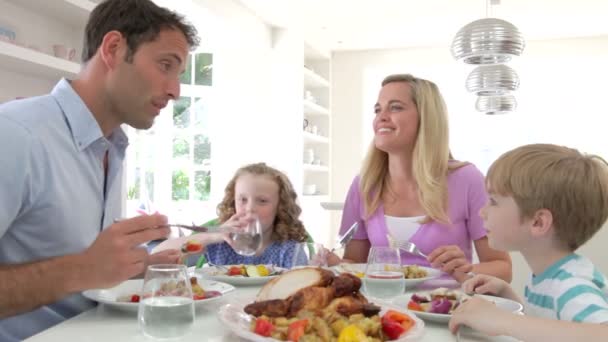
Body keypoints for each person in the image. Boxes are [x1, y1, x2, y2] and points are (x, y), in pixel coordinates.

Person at [0, 0, 199, 340]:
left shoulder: (112, 147)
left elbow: (83, 272)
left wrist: (131, 268)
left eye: (178, 74)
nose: (175, 91)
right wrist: (82, 270)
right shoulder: (16, 135)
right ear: (113, 49)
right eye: (166, 65)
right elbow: (81, 270)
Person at [329, 74, 512, 283]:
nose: (382, 117)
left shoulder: (467, 179)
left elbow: (503, 268)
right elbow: (354, 263)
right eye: (378, 109)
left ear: (427, 118)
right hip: (381, 312)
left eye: (395, 107)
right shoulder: (364, 185)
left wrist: (467, 269)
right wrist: (335, 265)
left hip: (446, 309)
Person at [449, 144, 608, 341]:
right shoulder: (549, 276)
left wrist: (501, 320)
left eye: (494, 201)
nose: (482, 212)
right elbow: (549, 328)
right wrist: (508, 295)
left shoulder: (572, 286)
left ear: (538, 222)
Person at [154, 163, 310, 268]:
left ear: (280, 206)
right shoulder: (220, 244)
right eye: (242, 200)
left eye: (262, 201)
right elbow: (157, 257)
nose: (250, 209)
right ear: (232, 200)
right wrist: (212, 237)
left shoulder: (289, 250)